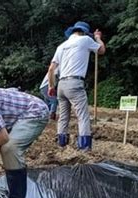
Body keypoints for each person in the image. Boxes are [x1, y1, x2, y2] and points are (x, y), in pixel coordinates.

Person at [47, 21, 105, 150]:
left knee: (63, 117)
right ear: (84, 32)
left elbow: (51, 69)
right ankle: (84, 148)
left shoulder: (61, 46)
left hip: (61, 84)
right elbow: (101, 50)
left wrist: (51, 87)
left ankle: (61, 145)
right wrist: (97, 38)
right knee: (82, 116)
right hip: (75, 83)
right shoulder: (85, 40)